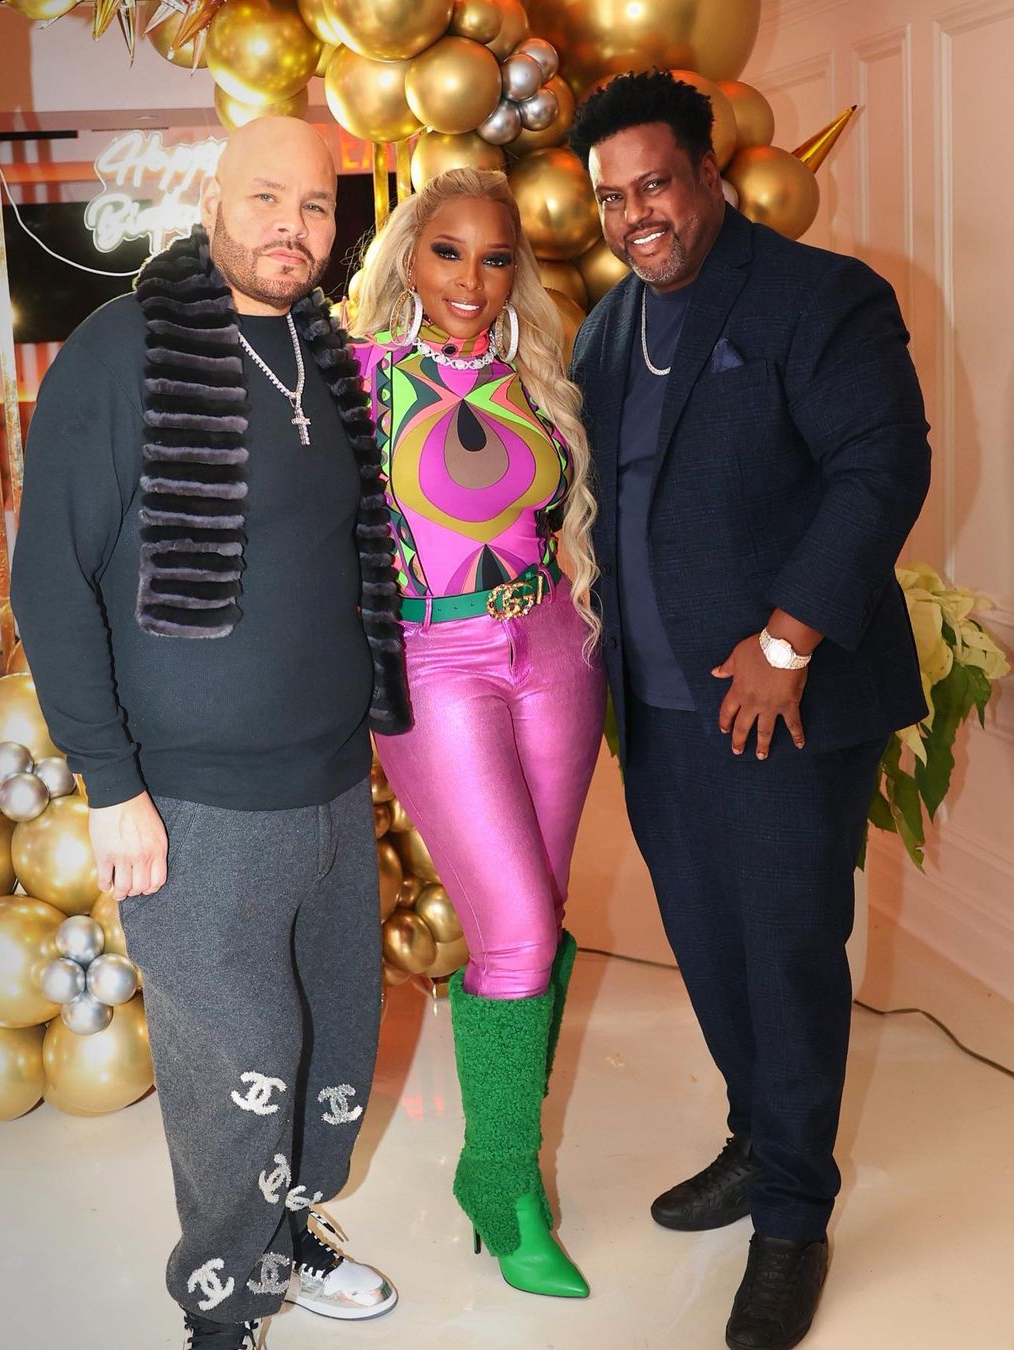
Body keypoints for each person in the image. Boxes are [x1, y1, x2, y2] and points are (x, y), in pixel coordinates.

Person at [11, 117, 410, 1350]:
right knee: (239, 1066)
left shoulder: (323, 353)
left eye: (316, 206)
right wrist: (110, 783)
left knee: (329, 1042)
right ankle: (223, 1306)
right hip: (190, 800)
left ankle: (287, 1235)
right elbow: (50, 581)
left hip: (330, 782)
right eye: (265, 197)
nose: (291, 226)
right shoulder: (122, 348)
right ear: (212, 201)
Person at [568, 72, 931, 1350]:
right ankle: (756, 1137)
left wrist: (788, 638)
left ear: (709, 175)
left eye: (655, 184)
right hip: (660, 711)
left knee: (783, 952)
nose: (636, 215)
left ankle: (792, 1215)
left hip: (785, 702)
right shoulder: (609, 328)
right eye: (612, 198)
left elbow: (883, 466)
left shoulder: (817, 296)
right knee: (712, 947)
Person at [349, 168, 607, 1298]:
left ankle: (502, 1155)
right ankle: (505, 1190)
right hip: (433, 662)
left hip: (555, 651)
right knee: (515, 929)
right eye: (447, 251)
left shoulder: (537, 375)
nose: (471, 278)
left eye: (496, 257)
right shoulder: (359, 376)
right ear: (410, 257)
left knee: (538, 917)